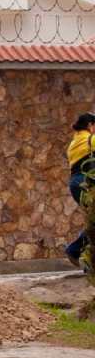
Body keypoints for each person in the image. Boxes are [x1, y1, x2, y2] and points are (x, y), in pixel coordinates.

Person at [65, 112, 95, 268]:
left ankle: (77, 251)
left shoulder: (73, 143)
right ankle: (75, 250)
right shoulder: (91, 139)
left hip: (75, 182)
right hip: (86, 182)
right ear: (90, 125)